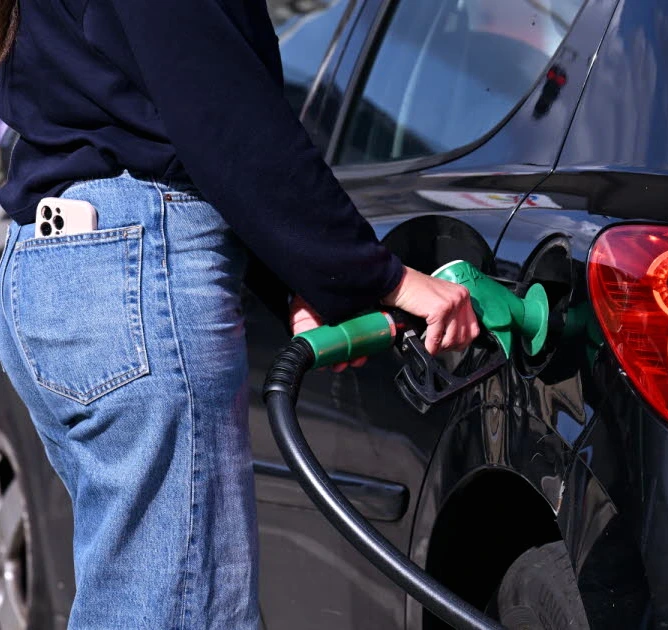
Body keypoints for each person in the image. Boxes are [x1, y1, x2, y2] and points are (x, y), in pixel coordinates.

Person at [0, 0, 479, 627]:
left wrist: (298, 281)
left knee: (146, 600)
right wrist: (377, 278)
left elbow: (157, 102)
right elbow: (223, 113)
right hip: (134, 265)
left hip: (56, 260)